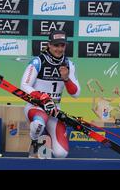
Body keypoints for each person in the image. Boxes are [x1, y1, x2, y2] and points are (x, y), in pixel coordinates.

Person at [20, 30, 80, 158]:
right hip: (36, 106)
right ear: (49, 45)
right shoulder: (38, 61)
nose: (59, 49)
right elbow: (24, 85)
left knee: (61, 154)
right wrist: (41, 96)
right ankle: (35, 140)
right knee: (39, 124)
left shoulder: (69, 64)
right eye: (56, 45)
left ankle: (46, 140)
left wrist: (66, 79)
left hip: (55, 110)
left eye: (62, 45)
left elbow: (76, 94)